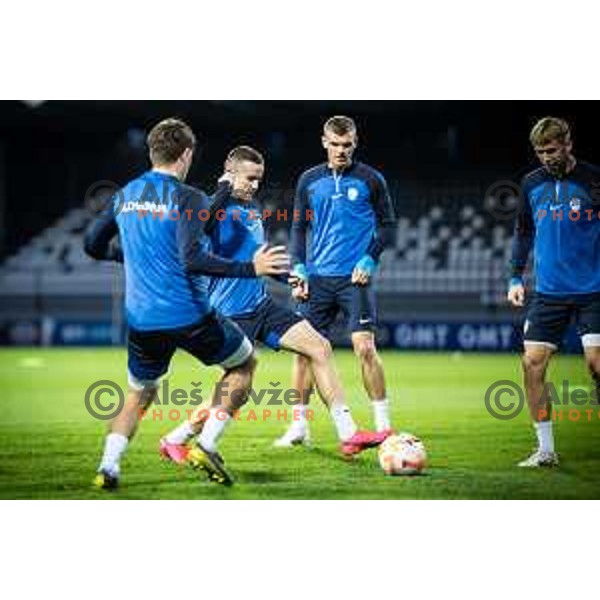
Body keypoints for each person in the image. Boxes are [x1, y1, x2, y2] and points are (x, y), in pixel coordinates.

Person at [84, 118, 289, 488]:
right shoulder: (187, 196)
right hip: (189, 314)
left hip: (142, 320)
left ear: (152, 152)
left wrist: (126, 255)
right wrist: (251, 267)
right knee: (244, 364)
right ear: (187, 154)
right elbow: (192, 257)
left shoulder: (124, 194)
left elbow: (92, 246)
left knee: (139, 394)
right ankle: (206, 444)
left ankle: (108, 467)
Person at [161, 145, 388, 458]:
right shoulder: (210, 205)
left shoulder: (252, 210)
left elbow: (261, 261)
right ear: (230, 174)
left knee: (319, 347)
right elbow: (204, 226)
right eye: (249, 178)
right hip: (229, 314)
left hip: (261, 306)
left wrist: (290, 279)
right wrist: (224, 187)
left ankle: (348, 434)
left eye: (259, 179)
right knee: (236, 390)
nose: (255, 185)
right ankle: (177, 437)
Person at [275, 115, 397, 447]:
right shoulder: (309, 180)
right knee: (303, 353)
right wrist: (298, 266)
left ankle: (383, 425)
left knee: (365, 348)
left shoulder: (371, 179)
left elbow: (388, 226)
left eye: (347, 144)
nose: (341, 150)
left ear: (355, 143)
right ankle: (299, 427)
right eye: (335, 144)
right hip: (316, 280)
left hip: (353, 280)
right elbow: (299, 228)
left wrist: (370, 257)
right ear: (324, 141)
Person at [508, 116, 600, 467]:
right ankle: (545, 450)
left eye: (552, 149)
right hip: (549, 292)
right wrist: (515, 277)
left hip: (594, 289)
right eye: (540, 151)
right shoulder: (531, 184)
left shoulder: (593, 179)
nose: (546, 157)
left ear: (568, 144)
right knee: (531, 363)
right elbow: (523, 232)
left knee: (596, 365)